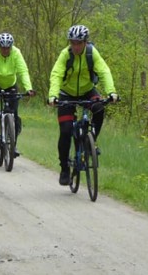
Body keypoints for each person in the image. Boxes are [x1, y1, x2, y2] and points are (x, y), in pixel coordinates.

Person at [48, 25, 119, 186]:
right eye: (72, 43)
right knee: (65, 131)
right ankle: (64, 168)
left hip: (87, 91)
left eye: (79, 43)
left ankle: (90, 142)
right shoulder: (65, 55)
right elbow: (56, 74)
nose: (75, 46)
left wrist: (111, 92)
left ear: (86, 42)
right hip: (66, 93)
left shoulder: (91, 53)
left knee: (99, 108)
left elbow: (104, 71)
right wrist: (53, 95)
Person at [0, 32, 35, 155]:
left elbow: (23, 71)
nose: (5, 50)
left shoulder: (16, 53)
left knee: (14, 115)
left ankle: (13, 146)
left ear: (11, 47)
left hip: (10, 84)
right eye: (2, 48)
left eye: (7, 48)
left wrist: (29, 88)